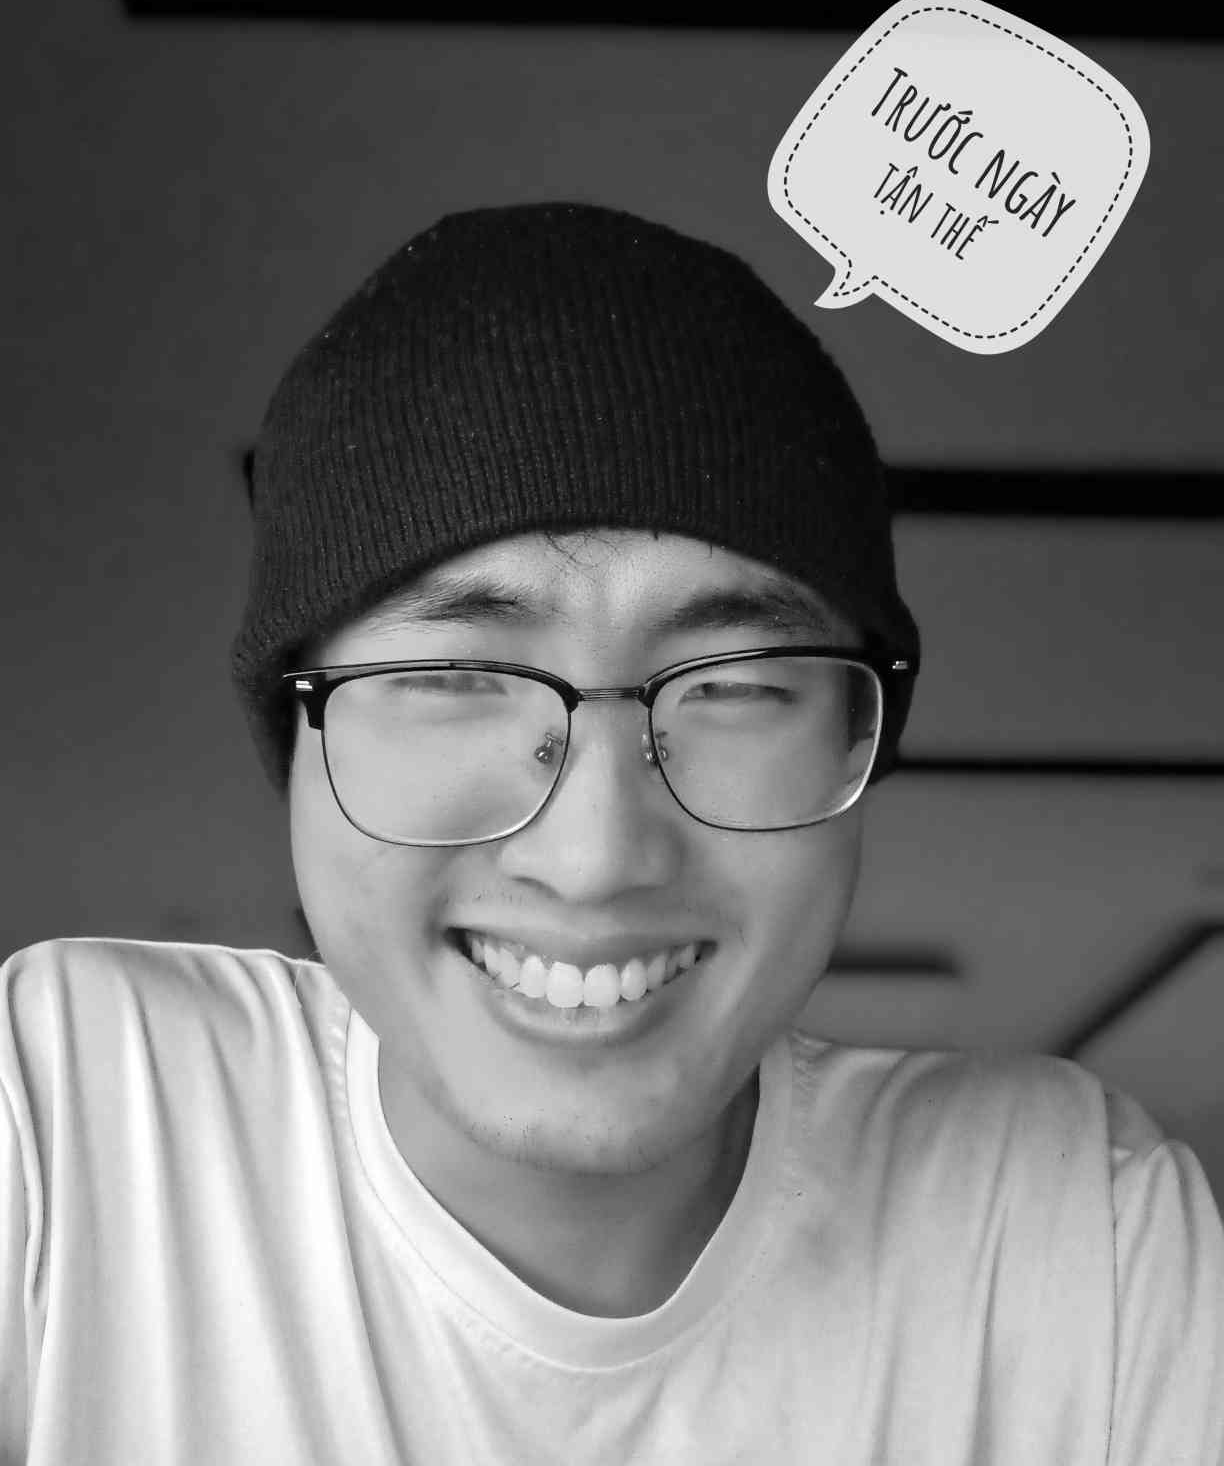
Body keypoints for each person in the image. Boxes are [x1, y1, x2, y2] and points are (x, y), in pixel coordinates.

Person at [1, 202, 1220, 1464]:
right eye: (459, 673)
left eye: (735, 683)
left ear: (860, 741)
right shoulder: (66, 1119)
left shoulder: (1075, 1237)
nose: (594, 858)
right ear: (298, 734)